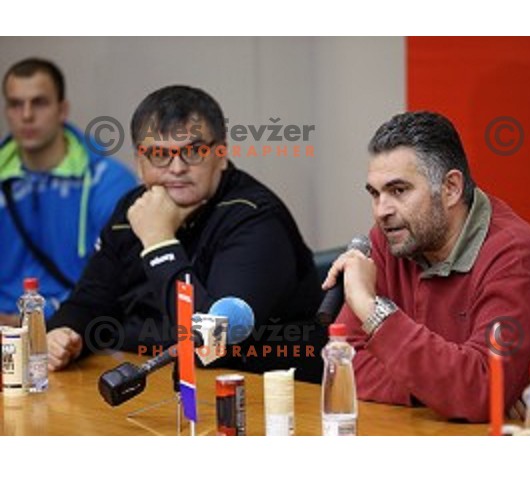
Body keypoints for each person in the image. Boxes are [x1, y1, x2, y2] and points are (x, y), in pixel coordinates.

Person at [323, 111, 530, 434]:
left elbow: (479, 390)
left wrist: (370, 309)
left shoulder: (519, 258)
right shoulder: (390, 240)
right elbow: (342, 364)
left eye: (398, 191)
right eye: (375, 193)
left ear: (451, 188)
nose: (382, 210)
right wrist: (441, 388)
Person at [46, 84, 322, 378]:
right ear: (140, 163)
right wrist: (63, 334)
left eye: (193, 152)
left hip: (261, 398)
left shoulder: (256, 218)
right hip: (154, 385)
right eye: (159, 154)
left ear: (221, 154)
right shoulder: (133, 209)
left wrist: (158, 242)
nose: (176, 168)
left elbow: (212, 346)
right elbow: (89, 301)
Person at [0, 58, 137, 326]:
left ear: (62, 110)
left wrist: (34, 322)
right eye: (16, 104)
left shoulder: (108, 180)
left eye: (39, 102)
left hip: (76, 327)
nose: (26, 115)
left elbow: (121, 282)